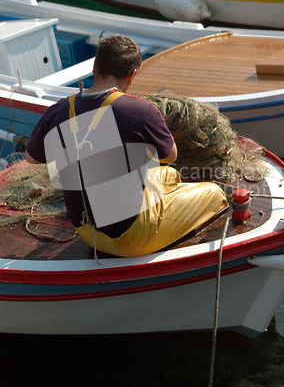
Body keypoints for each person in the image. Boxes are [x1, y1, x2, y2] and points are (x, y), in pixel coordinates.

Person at [26, 34, 227, 257]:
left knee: (168, 176)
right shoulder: (140, 109)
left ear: (94, 67)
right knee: (214, 193)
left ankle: (162, 202)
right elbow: (170, 154)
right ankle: (163, 214)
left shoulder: (59, 110)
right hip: (131, 236)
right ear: (132, 76)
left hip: (85, 229)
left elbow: (32, 157)